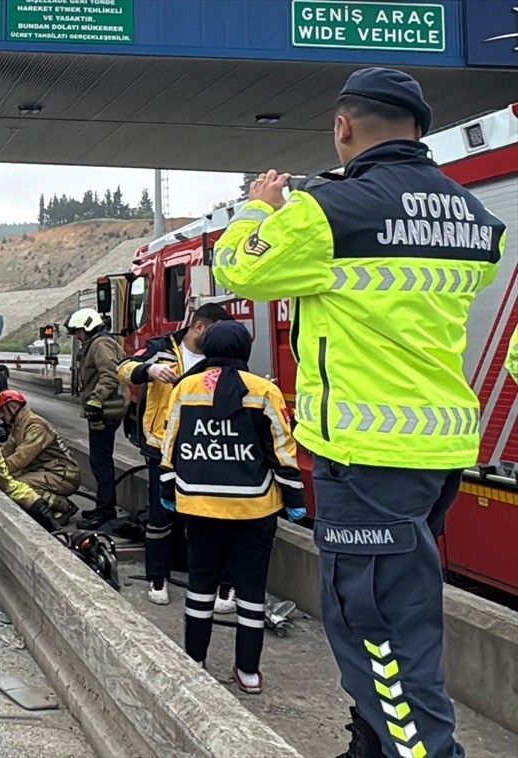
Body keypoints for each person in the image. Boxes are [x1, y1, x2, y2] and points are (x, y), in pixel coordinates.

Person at [212, 68, 506, 758]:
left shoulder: (329, 212)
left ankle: (425, 752)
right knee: (400, 615)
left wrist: (261, 208)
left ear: (343, 127)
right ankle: (370, 747)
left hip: (366, 454)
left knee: (375, 631)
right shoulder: (473, 216)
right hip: (435, 449)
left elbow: (238, 271)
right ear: (420, 129)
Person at [159, 321, 307, 695]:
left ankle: (195, 662)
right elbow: (282, 453)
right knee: (251, 592)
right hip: (254, 511)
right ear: (243, 349)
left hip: (198, 505)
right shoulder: (264, 391)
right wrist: (295, 501)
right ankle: (248, 673)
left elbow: (170, 444)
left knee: (200, 586)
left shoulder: (185, 389)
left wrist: (167, 489)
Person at [116, 303, 235, 606]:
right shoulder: (161, 348)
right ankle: (158, 578)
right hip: (161, 446)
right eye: (214, 332)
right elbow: (124, 369)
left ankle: (211, 580)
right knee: (161, 514)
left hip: (202, 446)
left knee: (206, 515)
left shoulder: (218, 356)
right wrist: (149, 370)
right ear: (199, 327)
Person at [65, 308, 127, 530]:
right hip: (100, 410)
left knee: (101, 462)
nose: (77, 337)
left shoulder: (101, 345)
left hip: (105, 410)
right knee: (99, 461)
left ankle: (105, 510)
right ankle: (104, 506)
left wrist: (96, 399)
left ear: (88, 327)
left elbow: (110, 375)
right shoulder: (98, 343)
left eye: (78, 332)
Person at [0, 389, 81, 525]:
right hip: (49, 471)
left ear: (12, 407)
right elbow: (5, 451)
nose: (0, 416)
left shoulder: (35, 426)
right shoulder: (19, 426)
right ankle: (49, 504)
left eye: (2, 411)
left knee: (18, 485)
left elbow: (21, 458)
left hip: (63, 474)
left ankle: (64, 506)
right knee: (13, 480)